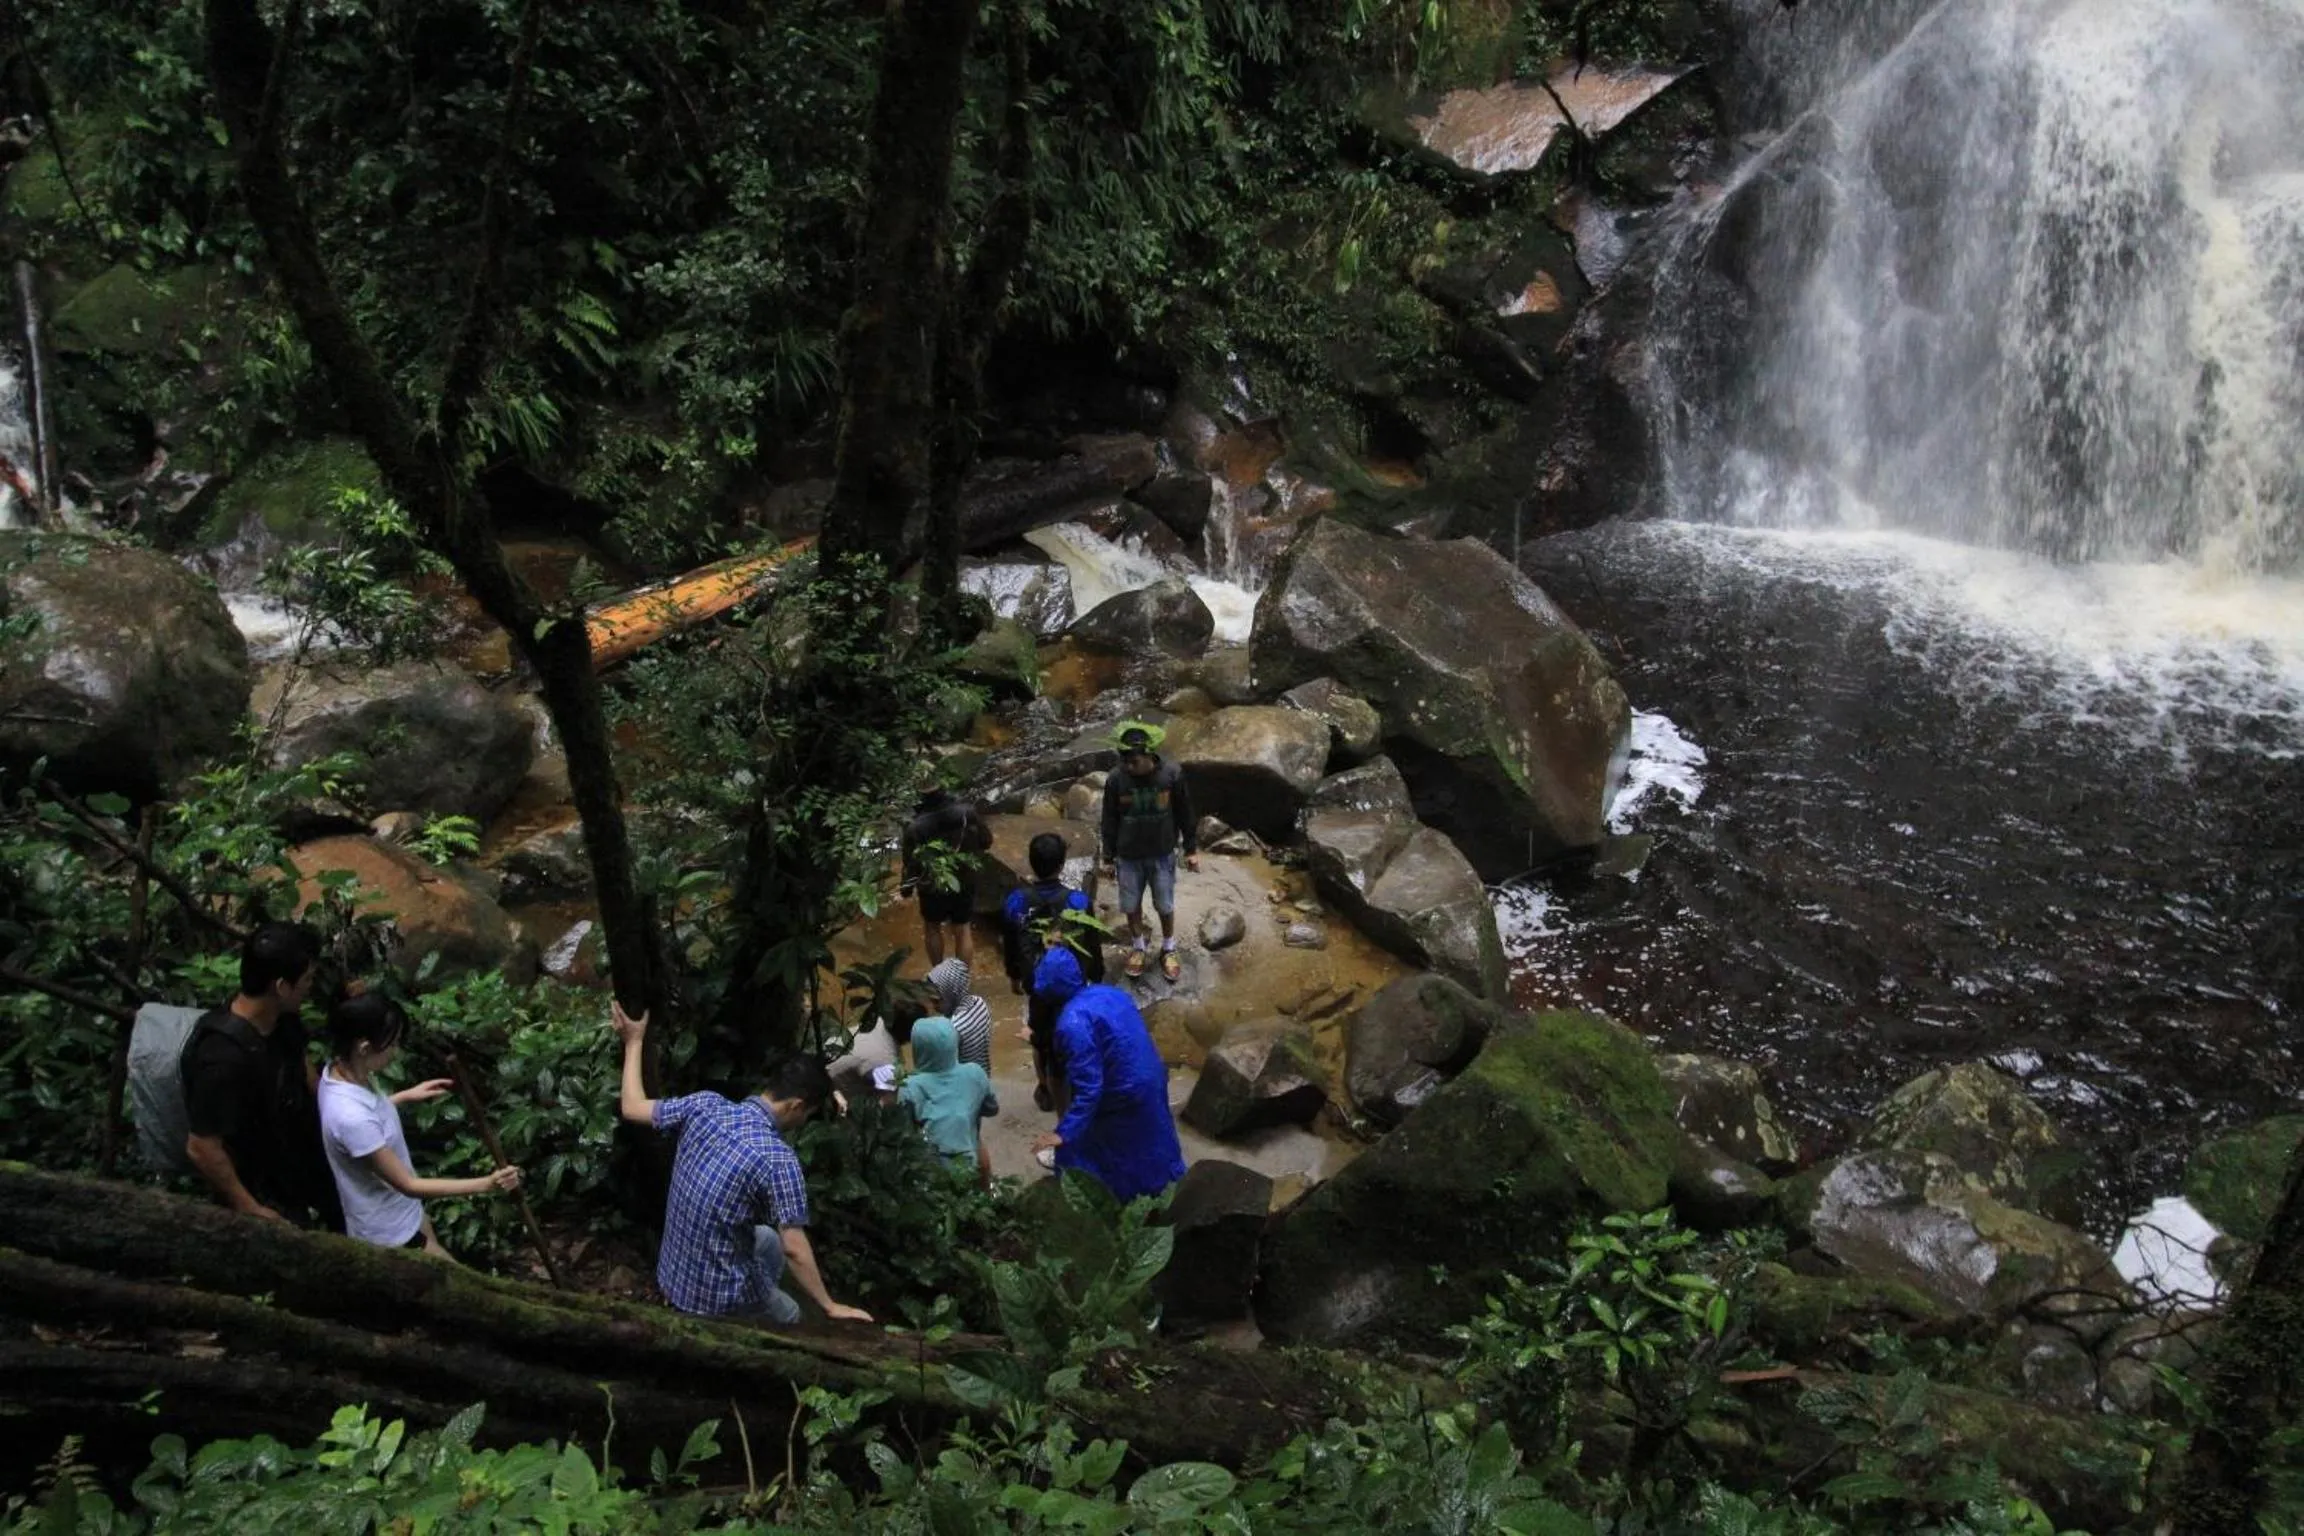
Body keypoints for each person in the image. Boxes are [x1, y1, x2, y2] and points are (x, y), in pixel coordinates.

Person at [613, 1001, 871, 1326]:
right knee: (792, 1313)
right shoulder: (778, 1159)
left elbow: (632, 1106)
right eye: (808, 1114)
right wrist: (830, 1305)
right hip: (713, 1300)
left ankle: (758, 1294)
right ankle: (749, 1322)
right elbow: (795, 1246)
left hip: (673, 1276)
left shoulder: (704, 1106)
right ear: (796, 1106)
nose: (805, 1121)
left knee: (766, 1239)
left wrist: (634, 1041)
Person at [316, 993, 522, 1256]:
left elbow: (364, 1121)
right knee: (461, 1291)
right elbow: (409, 1186)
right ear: (364, 1048)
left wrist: (403, 1097)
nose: (396, 1051)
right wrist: (486, 1184)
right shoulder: (350, 1116)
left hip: (404, 1212)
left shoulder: (339, 1074)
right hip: (393, 1235)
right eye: (391, 1044)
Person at [182, 921, 341, 1229]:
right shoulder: (221, 1058)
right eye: (307, 979)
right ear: (281, 986)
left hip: (300, 1162)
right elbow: (201, 1146)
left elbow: (304, 1073)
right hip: (264, 1188)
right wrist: (249, 1207)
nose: (311, 985)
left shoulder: (282, 1020)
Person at [1028, 947, 1186, 1202]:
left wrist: (1063, 1133)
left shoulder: (1072, 1024)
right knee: (1154, 1138)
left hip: (1123, 1091)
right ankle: (1169, 1190)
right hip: (1151, 1075)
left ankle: (1117, 1202)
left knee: (1107, 1149)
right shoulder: (1109, 993)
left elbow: (1089, 1089)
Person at [1001, 831, 1100, 1112]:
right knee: (1072, 1030)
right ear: (1061, 865)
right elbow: (1092, 944)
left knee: (1039, 1035)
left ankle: (1045, 1088)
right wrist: (1096, 975)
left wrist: (1013, 975)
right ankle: (1072, 1084)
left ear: (1032, 864)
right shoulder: (1078, 902)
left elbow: (1009, 942)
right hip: (1073, 981)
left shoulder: (1017, 902)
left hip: (1036, 981)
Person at [1099, 724, 1198, 982]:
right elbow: (1109, 819)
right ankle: (1138, 946)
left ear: (1149, 756)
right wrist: (1107, 857)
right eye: (1124, 761)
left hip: (1162, 853)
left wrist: (1191, 849)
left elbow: (1186, 811)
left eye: (1133, 761)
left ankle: (1168, 947)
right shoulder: (1116, 780)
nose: (1128, 766)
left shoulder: (1171, 775)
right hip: (1128, 856)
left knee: (1164, 904)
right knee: (1130, 905)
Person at [894, 1014, 999, 1188]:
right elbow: (992, 1108)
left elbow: (903, 1132)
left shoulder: (909, 1086)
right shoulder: (975, 1073)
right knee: (974, 1134)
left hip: (931, 1171)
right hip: (969, 1159)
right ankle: (986, 1190)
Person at [900, 788, 993, 968]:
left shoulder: (915, 827)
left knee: (933, 927)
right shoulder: (967, 813)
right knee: (962, 928)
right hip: (964, 879)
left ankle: (938, 979)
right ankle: (961, 981)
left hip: (932, 884)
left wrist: (906, 889)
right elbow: (986, 841)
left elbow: (910, 863)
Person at [925, 955, 994, 1073]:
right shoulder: (979, 1003)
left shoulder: (953, 1027)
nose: (933, 1005)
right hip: (983, 1075)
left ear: (951, 992)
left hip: (963, 1084)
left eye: (937, 1000)